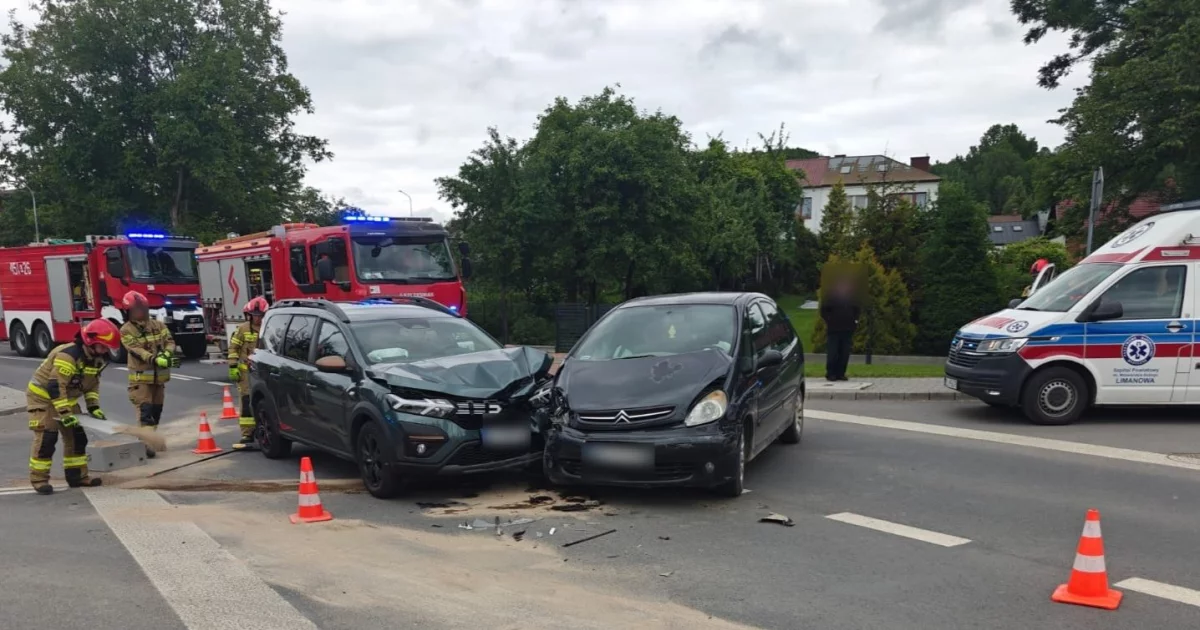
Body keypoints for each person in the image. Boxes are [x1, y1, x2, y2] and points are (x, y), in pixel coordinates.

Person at [26, 319, 121, 494]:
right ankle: (39, 480)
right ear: (91, 341)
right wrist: (65, 413)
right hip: (43, 398)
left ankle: (77, 477)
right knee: (47, 438)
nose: (106, 351)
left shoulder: (96, 359)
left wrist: (93, 407)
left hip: (65, 399)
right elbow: (55, 386)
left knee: (77, 438)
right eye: (103, 346)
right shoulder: (68, 356)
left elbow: (92, 385)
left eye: (107, 347)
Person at [119, 291, 178, 458]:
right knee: (145, 412)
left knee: (156, 411)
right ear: (128, 311)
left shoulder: (158, 325)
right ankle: (146, 444)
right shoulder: (126, 330)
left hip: (159, 379)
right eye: (136, 309)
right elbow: (135, 349)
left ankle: (151, 439)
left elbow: (170, 341)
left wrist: (167, 353)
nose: (140, 312)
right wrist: (154, 359)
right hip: (141, 381)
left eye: (142, 308)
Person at [228, 296, 269, 449]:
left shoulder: (269, 327)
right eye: (255, 315)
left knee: (264, 401)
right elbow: (233, 348)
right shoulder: (243, 329)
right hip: (246, 373)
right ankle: (247, 434)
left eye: (260, 315)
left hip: (263, 372)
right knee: (246, 402)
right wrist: (233, 366)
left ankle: (264, 429)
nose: (257, 318)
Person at [821, 277, 859, 382]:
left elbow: (857, 310)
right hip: (834, 329)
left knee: (845, 353)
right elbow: (824, 311)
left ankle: (841, 373)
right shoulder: (830, 297)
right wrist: (830, 321)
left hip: (848, 329)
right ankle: (831, 373)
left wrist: (855, 321)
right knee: (833, 352)